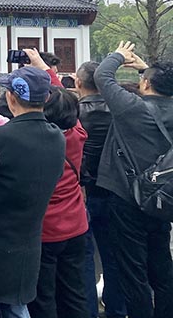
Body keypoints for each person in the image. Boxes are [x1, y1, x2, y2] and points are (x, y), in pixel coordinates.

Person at [95, 41, 173, 318]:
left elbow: (101, 76)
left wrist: (118, 54)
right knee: (162, 266)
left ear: (147, 85)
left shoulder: (132, 108)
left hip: (127, 197)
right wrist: (146, 68)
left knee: (133, 271)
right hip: (164, 197)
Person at [0, 66, 66, 318]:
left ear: (10, 97)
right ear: (46, 98)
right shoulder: (57, 137)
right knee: (18, 308)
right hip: (29, 238)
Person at [28, 88, 89, 318]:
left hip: (46, 229)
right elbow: (66, 102)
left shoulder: (36, 143)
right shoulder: (78, 135)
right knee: (75, 292)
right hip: (76, 224)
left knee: (44, 296)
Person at [75, 61, 126, 318]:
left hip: (81, 192)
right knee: (114, 255)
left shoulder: (72, 112)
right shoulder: (121, 111)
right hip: (115, 190)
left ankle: (87, 311)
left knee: (83, 257)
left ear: (78, 83)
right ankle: (117, 308)